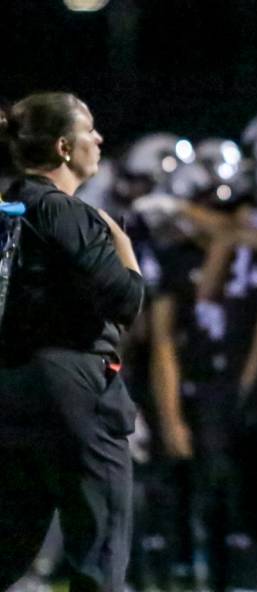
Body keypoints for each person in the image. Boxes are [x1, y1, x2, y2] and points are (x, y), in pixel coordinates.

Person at [0, 92, 144, 591]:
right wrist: (125, 252)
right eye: (89, 131)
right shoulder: (67, 213)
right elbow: (124, 300)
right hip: (75, 386)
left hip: (11, 385)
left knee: (9, 543)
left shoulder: (7, 209)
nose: (99, 139)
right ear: (64, 147)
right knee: (99, 548)